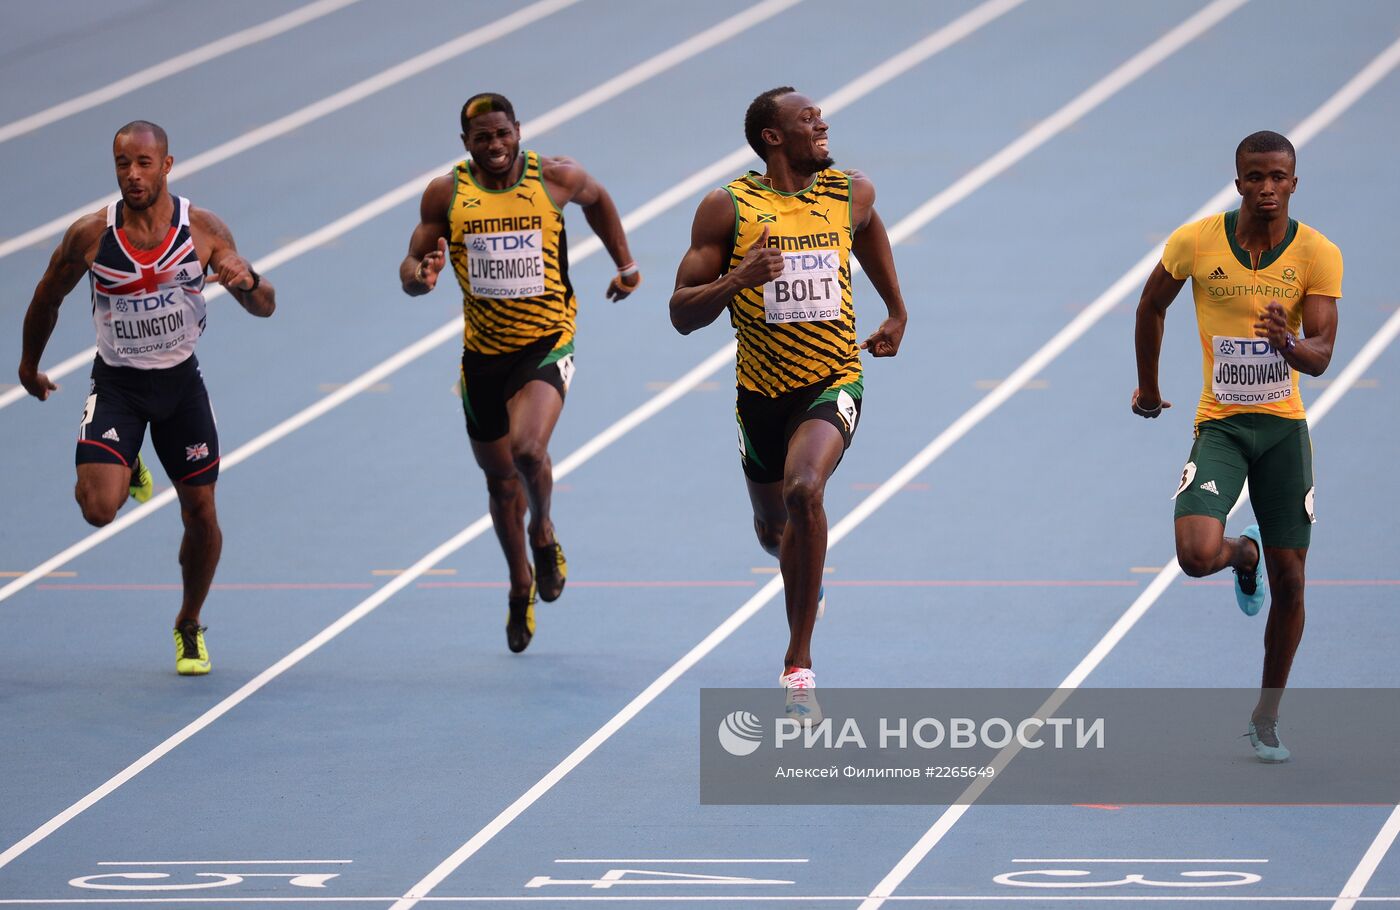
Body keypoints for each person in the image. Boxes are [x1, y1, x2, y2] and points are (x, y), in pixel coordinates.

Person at [669, 87, 907, 722]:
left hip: (832, 380)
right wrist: (737, 280)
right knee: (777, 531)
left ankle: (797, 663)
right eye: (809, 119)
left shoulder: (848, 192)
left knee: (806, 492)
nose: (823, 123)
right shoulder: (728, 208)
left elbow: (869, 232)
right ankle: (806, 569)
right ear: (773, 137)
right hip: (760, 395)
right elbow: (680, 314)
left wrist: (896, 311)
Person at [18, 120, 276, 676]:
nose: (132, 175)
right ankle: (125, 455)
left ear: (166, 165)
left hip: (181, 387)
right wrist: (29, 365)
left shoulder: (203, 230)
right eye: (121, 164)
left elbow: (266, 306)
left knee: (201, 513)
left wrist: (245, 279)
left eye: (142, 163)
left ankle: (189, 622)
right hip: (119, 387)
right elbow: (47, 296)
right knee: (98, 511)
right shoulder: (91, 235)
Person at [400, 92, 640, 654]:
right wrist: (421, 275)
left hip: (546, 343)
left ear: (518, 131)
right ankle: (518, 585)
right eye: (482, 138)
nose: (495, 146)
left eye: (502, 134)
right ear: (466, 144)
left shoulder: (555, 177)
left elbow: (598, 200)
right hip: (482, 356)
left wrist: (625, 265)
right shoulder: (447, 193)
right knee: (500, 484)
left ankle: (545, 531)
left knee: (528, 452)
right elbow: (410, 267)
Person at [1132, 130, 1342, 762]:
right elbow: (1150, 307)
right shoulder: (1195, 242)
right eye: (1256, 177)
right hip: (1220, 425)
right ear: (1239, 181)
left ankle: (1267, 714)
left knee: (1294, 583)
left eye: (1279, 177)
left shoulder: (1316, 254)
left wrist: (1288, 344)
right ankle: (1242, 552)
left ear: (1294, 183)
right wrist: (1148, 388)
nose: (1267, 188)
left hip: (1282, 432)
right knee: (1196, 556)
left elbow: (1323, 357)